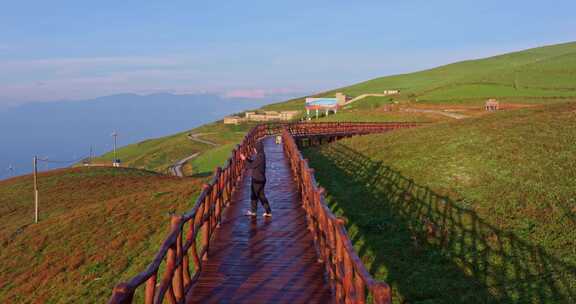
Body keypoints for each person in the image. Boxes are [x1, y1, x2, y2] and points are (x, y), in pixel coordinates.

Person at [240, 142, 272, 217]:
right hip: (261, 179)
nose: (254, 150)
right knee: (261, 195)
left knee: (254, 195)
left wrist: (244, 160)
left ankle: (253, 212)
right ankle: (268, 211)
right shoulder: (261, 155)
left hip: (257, 180)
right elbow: (254, 163)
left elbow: (250, 166)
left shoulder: (260, 156)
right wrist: (246, 159)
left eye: (255, 148)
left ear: (258, 148)